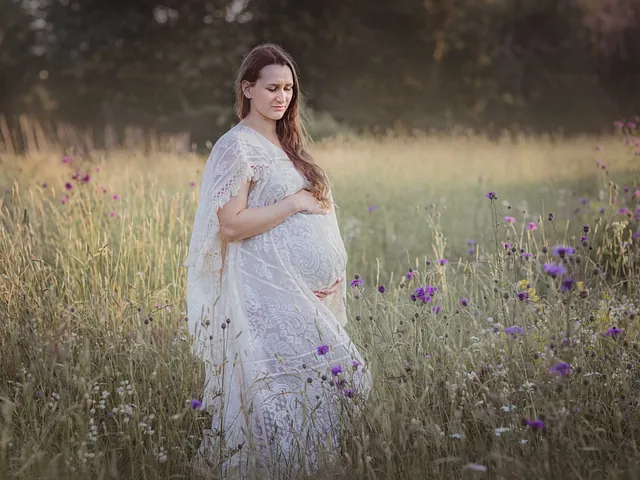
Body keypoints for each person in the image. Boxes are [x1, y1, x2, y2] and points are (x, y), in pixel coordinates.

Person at [183, 43, 371, 477]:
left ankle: (312, 466)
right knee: (292, 387)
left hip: (299, 289)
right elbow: (231, 224)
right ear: (247, 89)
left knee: (328, 381)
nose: (281, 97)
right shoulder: (237, 147)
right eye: (271, 88)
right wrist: (295, 203)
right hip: (263, 292)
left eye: (287, 88)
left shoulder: (287, 142)